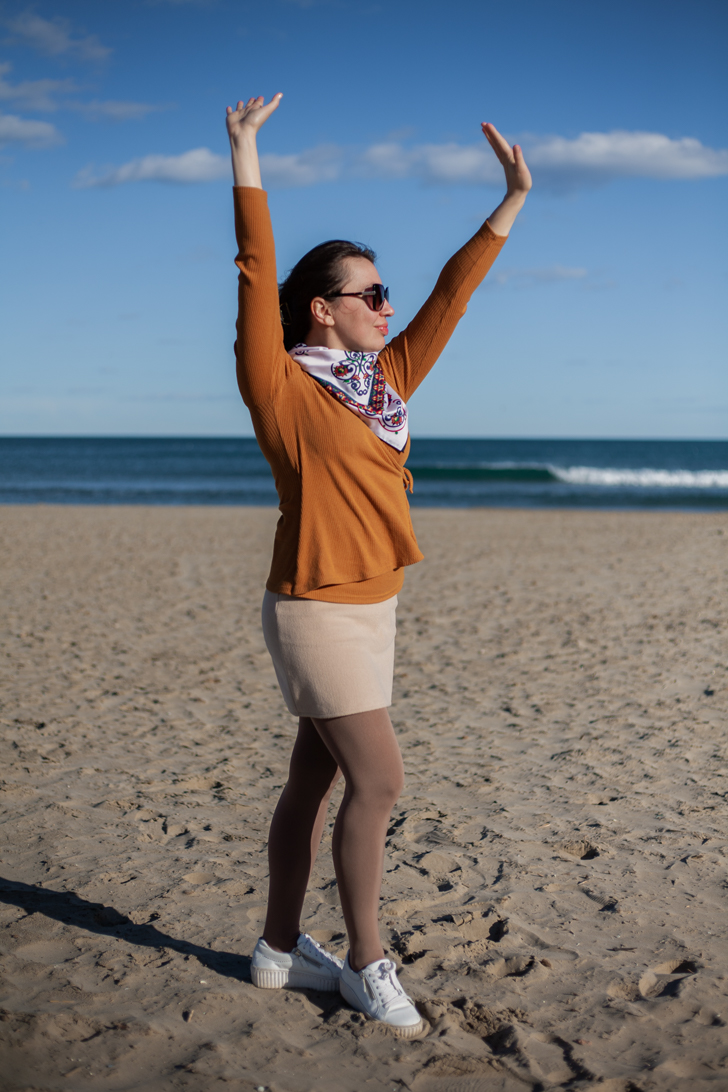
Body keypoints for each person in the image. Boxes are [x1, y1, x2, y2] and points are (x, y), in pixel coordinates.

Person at [226, 93, 531, 1037]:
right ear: (322, 309)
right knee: (382, 782)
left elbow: (452, 294)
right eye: (368, 294)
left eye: (384, 293)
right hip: (315, 607)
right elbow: (255, 270)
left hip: (377, 606)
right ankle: (366, 962)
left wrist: (511, 199)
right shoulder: (278, 384)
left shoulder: (385, 383)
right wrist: (244, 155)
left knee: (314, 782)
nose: (387, 306)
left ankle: (279, 948)